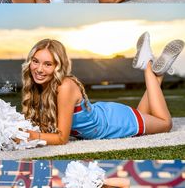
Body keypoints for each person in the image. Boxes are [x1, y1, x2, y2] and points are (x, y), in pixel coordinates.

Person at [21, 32, 184, 145]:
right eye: (35, 61)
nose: (39, 69)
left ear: (58, 66)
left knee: (165, 124)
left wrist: (29, 136)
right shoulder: (39, 87)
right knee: (146, 115)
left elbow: (62, 138)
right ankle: (159, 73)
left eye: (48, 64)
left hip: (113, 124)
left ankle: (147, 64)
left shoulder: (64, 86)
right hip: (106, 114)